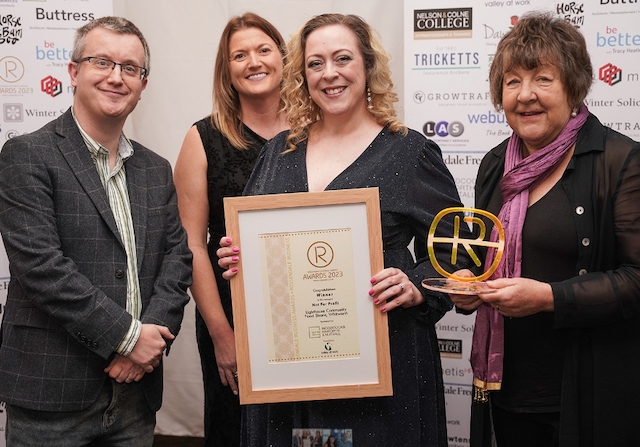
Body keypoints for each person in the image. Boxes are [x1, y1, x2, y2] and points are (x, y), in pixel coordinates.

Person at [218, 13, 473, 446]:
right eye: (315, 63)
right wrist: (238, 257)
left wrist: (416, 284)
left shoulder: (409, 152)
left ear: (368, 66)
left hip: (383, 362)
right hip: (291, 368)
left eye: (342, 59)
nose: (329, 74)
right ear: (302, 75)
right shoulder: (278, 152)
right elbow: (258, 242)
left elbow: (460, 254)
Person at [449, 11, 640, 447]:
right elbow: (482, 259)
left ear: (573, 87)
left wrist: (548, 298)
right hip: (506, 390)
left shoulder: (619, 161)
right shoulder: (495, 164)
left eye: (543, 79)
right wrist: (466, 283)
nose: (525, 95)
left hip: (587, 392)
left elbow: (635, 279)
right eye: (512, 81)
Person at [0, 16, 192, 447]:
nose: (116, 77)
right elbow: (41, 268)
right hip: (53, 395)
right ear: (73, 71)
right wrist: (127, 338)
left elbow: (177, 261)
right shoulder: (26, 155)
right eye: (102, 62)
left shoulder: (155, 169)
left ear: (143, 84)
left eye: (130, 68)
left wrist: (149, 340)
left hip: (135, 399)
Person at [173, 12, 287, 447]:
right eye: (239, 55)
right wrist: (222, 336)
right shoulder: (202, 138)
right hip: (231, 315)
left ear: (282, 57)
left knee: (310, 427)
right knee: (235, 428)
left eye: (263, 49)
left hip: (311, 302)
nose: (253, 61)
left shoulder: (318, 130)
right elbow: (191, 244)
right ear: (227, 70)